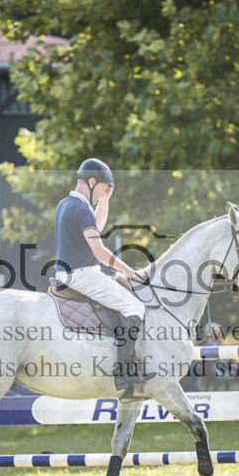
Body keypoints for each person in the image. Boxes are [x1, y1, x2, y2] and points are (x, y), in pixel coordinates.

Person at [53, 158, 151, 390]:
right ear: (91, 181)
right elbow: (99, 251)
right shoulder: (80, 209)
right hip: (82, 275)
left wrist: (105, 199)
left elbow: (95, 227)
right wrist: (125, 269)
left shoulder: (66, 204)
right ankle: (123, 372)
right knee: (136, 307)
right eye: (102, 189)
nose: (102, 194)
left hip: (65, 274)